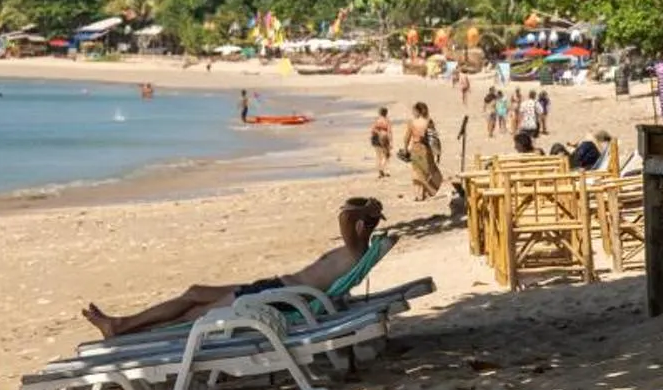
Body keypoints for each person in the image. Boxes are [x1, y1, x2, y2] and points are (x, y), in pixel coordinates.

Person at [83, 197, 386, 338]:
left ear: (359, 226)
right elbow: (350, 219)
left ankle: (125, 331)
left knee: (194, 315)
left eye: (351, 221)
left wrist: (361, 211)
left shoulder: (355, 251)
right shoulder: (354, 251)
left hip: (280, 298)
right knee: (195, 292)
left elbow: (348, 219)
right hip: (276, 289)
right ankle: (122, 324)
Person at [405, 101, 443, 199]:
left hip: (415, 148)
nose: (413, 113)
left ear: (417, 111)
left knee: (417, 171)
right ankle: (424, 193)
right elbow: (434, 138)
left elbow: (407, 137)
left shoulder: (411, 122)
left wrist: (405, 149)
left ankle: (417, 195)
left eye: (414, 111)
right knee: (426, 172)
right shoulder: (428, 121)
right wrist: (438, 152)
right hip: (425, 148)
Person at [369, 106, 393, 178]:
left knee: (378, 156)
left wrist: (374, 137)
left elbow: (372, 130)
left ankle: (380, 171)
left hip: (375, 138)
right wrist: (391, 142)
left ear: (379, 113)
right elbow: (389, 132)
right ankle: (382, 169)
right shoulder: (387, 121)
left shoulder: (377, 120)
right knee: (387, 155)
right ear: (386, 113)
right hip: (384, 138)